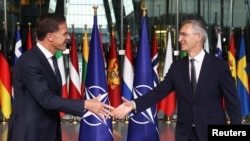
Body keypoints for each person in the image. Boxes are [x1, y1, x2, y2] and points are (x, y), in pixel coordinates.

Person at [113, 19, 242, 141]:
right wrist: (134, 104)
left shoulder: (219, 66)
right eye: (180, 35)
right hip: (184, 134)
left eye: (184, 35)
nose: (180, 39)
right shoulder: (176, 67)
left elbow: (233, 103)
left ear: (198, 37)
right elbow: (159, 92)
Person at [7, 13, 113, 141]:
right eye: (64, 34)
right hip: (31, 134)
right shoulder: (29, 62)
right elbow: (47, 99)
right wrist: (86, 104)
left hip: (49, 131)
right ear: (50, 37)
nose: (68, 37)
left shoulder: (51, 59)